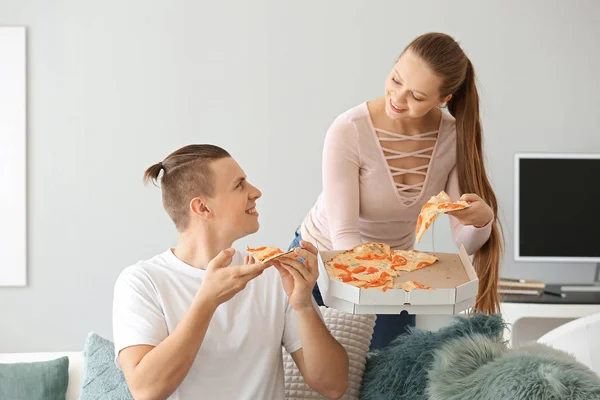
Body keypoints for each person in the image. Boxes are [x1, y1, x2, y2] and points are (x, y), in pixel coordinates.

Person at [290, 32, 503, 350]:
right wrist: (374, 289)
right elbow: (344, 235)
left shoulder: (451, 137)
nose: (398, 99)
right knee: (321, 385)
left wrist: (481, 219)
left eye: (417, 97)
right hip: (321, 264)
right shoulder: (349, 130)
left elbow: (464, 241)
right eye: (395, 79)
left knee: (387, 375)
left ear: (443, 99)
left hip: (391, 276)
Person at [113, 144, 349, 400]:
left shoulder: (271, 274)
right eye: (239, 185)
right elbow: (146, 391)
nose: (255, 192)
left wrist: (303, 306)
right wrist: (207, 301)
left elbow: (333, 385)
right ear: (202, 208)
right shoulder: (142, 282)